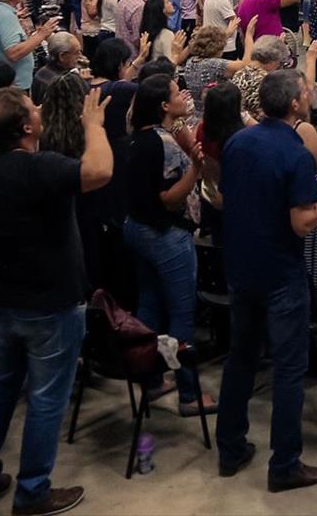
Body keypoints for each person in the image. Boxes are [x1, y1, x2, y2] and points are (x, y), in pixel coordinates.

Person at [0, 85, 113, 516]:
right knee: (45, 400)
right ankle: (33, 491)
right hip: (51, 304)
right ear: (26, 127)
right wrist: (93, 127)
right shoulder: (40, 168)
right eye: (33, 109)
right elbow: (98, 172)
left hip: (0, 300)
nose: (40, 111)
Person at [216, 68, 317, 492]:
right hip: (281, 273)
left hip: (242, 267)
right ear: (297, 104)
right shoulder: (295, 155)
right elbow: (303, 222)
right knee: (288, 367)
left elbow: (225, 194)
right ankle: (285, 463)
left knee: (241, 356)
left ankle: (230, 448)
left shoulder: (238, 143)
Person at [122, 74, 213, 415]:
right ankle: (189, 394)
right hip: (166, 234)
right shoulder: (165, 145)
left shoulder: (140, 137)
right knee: (181, 315)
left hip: (138, 228)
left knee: (149, 307)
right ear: (163, 105)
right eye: (176, 92)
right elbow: (170, 199)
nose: (183, 95)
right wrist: (197, 170)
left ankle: (151, 379)